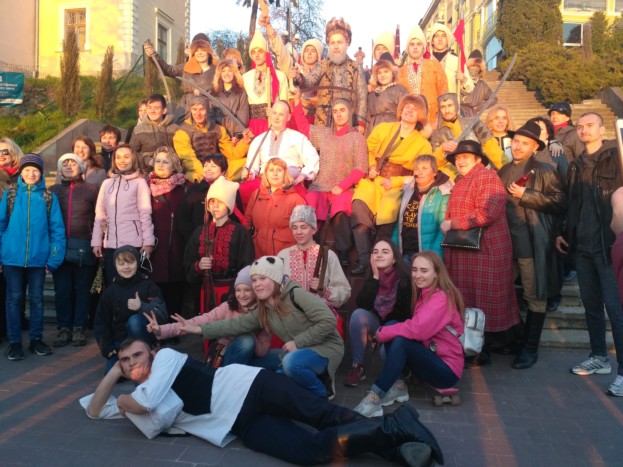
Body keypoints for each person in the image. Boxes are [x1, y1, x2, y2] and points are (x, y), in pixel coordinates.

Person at [81, 337, 444, 466]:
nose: (134, 362)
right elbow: (95, 412)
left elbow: (143, 405)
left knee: (323, 414)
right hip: (240, 425)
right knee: (308, 452)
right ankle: (398, 437)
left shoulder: (165, 358)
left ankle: (397, 443)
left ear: (151, 351)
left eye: (137, 355)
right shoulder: (134, 392)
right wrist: (112, 375)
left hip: (252, 385)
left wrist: (124, 396)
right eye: (126, 361)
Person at [176, 256, 344, 400]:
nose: (257, 284)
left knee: (290, 363)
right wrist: (199, 329)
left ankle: (321, 393)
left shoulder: (296, 294)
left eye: (262, 278)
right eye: (254, 280)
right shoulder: (265, 307)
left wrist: (298, 342)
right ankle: (236, 388)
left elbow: (328, 321)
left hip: (325, 348)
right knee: (273, 373)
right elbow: (236, 325)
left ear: (275, 279)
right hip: (299, 350)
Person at [555, 112, 623, 396]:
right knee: (591, 305)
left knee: (616, 310)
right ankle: (599, 356)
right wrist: (562, 230)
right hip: (582, 246)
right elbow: (571, 201)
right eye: (580, 126)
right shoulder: (575, 165)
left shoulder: (616, 157)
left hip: (609, 245)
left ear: (602, 129)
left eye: (589, 125)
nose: (583, 130)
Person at [354, 251, 465, 417]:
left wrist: (382, 333)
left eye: (424, 271)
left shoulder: (440, 298)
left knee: (400, 339)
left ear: (436, 273)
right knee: (393, 325)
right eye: (414, 270)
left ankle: (375, 397)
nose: (417, 275)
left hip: (446, 371)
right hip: (431, 356)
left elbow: (417, 330)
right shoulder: (424, 293)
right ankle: (398, 386)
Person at [441, 139, 519, 367]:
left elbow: (488, 212)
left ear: (477, 159)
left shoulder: (487, 177)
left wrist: (453, 223)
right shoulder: (462, 179)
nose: (460, 161)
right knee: (470, 298)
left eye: (465, 157)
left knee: (484, 301)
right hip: (467, 250)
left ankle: (482, 350)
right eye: (457, 158)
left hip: (486, 249)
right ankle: (476, 346)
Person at [498, 121, 566, 369]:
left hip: (530, 241)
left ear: (535, 147)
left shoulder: (545, 169)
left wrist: (526, 195)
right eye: (516, 141)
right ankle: (517, 339)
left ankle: (530, 349)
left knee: (534, 295)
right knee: (502, 292)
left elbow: (560, 202)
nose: (518, 146)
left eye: (524, 143)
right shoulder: (504, 169)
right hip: (504, 243)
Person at [351, 94, 431, 274]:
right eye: (406, 106)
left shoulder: (423, 144)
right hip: (375, 180)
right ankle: (364, 258)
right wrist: (371, 165)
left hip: (397, 186)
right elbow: (368, 148)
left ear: (420, 116)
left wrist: (395, 181)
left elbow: (419, 171)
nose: (409, 110)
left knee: (388, 213)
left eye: (414, 108)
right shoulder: (383, 128)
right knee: (359, 205)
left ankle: (378, 263)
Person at [0, 154, 66, 361]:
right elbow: (1, 226)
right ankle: (15, 342)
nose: (31, 174)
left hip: (38, 260)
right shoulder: (10, 195)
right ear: (21, 172)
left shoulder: (48, 198)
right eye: (27, 170)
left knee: (37, 300)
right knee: (13, 300)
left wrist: (53, 259)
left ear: (41, 173)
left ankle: (36, 339)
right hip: (12, 259)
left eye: (35, 170)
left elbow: (57, 231)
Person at [291, 91, 368, 265]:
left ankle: (343, 253)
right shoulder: (325, 135)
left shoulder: (357, 138)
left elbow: (360, 168)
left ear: (350, 112)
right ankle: (310, 248)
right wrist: (296, 102)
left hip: (343, 186)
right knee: (310, 204)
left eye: (342, 110)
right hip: (321, 184)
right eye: (335, 111)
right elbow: (304, 128)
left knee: (341, 210)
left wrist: (343, 185)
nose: (338, 114)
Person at [145, 266, 272, 367]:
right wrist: (161, 330)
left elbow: (262, 351)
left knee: (278, 356)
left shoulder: (263, 312)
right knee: (246, 341)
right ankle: (229, 379)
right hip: (225, 357)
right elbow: (200, 321)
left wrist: (248, 330)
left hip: (250, 357)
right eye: (238, 290)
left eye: (247, 290)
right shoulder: (227, 307)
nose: (242, 295)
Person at [344, 239, 413, 387]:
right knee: (358, 315)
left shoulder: (405, 280)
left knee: (384, 350)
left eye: (385, 252)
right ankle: (358, 366)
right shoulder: (374, 277)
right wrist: (375, 278)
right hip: (379, 325)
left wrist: (384, 333)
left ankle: (400, 373)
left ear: (394, 259)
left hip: (398, 328)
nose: (379, 255)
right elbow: (362, 303)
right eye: (375, 252)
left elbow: (407, 315)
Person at [184, 176, 254, 312]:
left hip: (231, 291)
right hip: (205, 291)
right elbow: (187, 263)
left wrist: (235, 293)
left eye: (220, 202)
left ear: (228, 205)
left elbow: (246, 266)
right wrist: (198, 266)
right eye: (212, 202)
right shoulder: (199, 231)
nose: (215, 206)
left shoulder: (240, 233)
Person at [50, 153, 99, 347]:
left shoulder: (92, 189)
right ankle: (64, 328)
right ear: (59, 169)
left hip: (84, 247)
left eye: (73, 163)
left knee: (82, 291)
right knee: (62, 291)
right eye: (65, 164)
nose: (69, 166)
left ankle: (79, 327)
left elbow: (99, 217)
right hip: (59, 247)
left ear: (81, 167)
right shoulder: (53, 191)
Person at [94, 246, 167, 373]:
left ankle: (146, 357)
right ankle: (131, 362)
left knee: (135, 321)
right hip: (121, 342)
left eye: (130, 262)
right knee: (111, 373)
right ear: (115, 266)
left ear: (137, 263)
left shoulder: (149, 286)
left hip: (142, 339)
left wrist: (141, 307)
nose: (126, 267)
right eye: (121, 264)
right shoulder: (110, 291)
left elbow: (162, 316)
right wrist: (106, 347)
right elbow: (101, 322)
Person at [91, 144, 155, 285]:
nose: (122, 160)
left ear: (133, 159)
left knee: (132, 287)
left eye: (126, 157)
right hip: (111, 245)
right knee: (112, 286)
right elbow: (100, 215)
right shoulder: (106, 183)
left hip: (133, 244)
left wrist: (148, 242)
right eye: (118, 157)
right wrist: (96, 242)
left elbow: (145, 214)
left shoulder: (140, 183)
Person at [240, 100, 319, 206]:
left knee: (303, 201)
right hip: (263, 183)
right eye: (274, 113)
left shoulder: (298, 137)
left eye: (281, 114)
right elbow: (252, 167)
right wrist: (251, 173)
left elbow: (313, 159)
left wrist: (301, 176)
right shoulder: (259, 139)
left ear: (288, 117)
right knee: (241, 192)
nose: (276, 117)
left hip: (289, 183)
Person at [278, 205, 351, 316]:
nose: (298, 232)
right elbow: (274, 290)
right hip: (291, 316)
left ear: (314, 229)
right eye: (294, 227)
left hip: (320, 315)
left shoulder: (329, 256)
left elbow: (344, 291)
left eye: (304, 227)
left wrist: (325, 291)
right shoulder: (283, 256)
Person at [298, 17, 368, 131]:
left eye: (339, 42)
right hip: (324, 123)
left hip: (348, 125)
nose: (335, 47)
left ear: (347, 43)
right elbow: (308, 83)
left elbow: (362, 97)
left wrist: (360, 122)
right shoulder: (322, 65)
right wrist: (298, 77)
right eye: (332, 43)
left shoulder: (356, 68)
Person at [172, 96, 252, 183]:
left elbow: (232, 154)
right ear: (190, 111)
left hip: (215, 167)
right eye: (194, 109)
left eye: (202, 109)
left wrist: (245, 142)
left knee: (246, 162)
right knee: (193, 176)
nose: (198, 114)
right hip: (197, 171)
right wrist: (206, 172)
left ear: (207, 110)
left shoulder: (218, 129)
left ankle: (222, 179)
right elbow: (188, 159)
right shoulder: (182, 132)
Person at [148, 147, 187, 322]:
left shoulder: (185, 187)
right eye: (158, 161)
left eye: (166, 161)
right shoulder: (145, 186)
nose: (161, 165)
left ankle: (174, 328)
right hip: (155, 248)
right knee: (156, 292)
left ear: (174, 165)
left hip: (177, 248)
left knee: (175, 293)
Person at [144, 34, 218, 124]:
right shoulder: (186, 67)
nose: (200, 53)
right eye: (196, 50)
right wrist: (155, 56)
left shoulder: (217, 71)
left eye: (203, 50)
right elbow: (169, 70)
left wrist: (203, 92)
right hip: (186, 109)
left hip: (207, 110)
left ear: (209, 51)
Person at [431, 93, 508, 178]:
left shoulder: (474, 123)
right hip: (454, 179)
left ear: (456, 106)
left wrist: (509, 170)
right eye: (443, 107)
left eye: (450, 105)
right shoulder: (436, 135)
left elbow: (491, 148)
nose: (447, 110)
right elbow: (434, 164)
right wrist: (442, 150)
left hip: (480, 174)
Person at [246, 157, 307, 257]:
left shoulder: (296, 199)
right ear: (266, 173)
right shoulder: (256, 195)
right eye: (271, 170)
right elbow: (247, 222)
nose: (275, 174)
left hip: (285, 256)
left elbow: (304, 231)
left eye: (279, 170)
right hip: (259, 254)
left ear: (285, 173)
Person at [397, 154, 453, 263]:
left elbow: (442, 230)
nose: (419, 172)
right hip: (404, 253)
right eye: (417, 169)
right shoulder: (407, 190)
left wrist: (433, 258)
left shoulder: (442, 193)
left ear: (434, 172)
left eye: (424, 168)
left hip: (427, 255)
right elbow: (398, 223)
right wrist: (395, 252)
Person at [397, 24, 448, 127]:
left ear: (424, 48)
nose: (415, 47)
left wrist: (440, 119)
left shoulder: (435, 66)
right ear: (408, 49)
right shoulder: (400, 72)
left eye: (419, 44)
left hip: (432, 121)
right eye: (412, 44)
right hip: (409, 123)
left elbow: (444, 94)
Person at [243, 29, 289, 136]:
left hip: (272, 123)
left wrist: (275, 110)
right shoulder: (245, 77)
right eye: (253, 52)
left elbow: (285, 102)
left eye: (260, 51)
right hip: (251, 126)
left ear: (266, 53)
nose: (257, 55)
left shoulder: (279, 76)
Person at [0, 137, 23, 343]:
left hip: (21, 238)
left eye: (5, 151)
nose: (1, 155)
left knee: (18, 287)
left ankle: (16, 323)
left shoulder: (25, 175)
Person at [129, 94, 179, 173]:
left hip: (171, 171)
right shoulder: (138, 130)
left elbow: (181, 151)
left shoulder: (174, 129)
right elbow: (132, 152)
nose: (152, 111)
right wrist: (147, 161)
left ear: (164, 110)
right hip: (146, 172)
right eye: (149, 108)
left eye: (156, 108)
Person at [365, 52, 409, 137]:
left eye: (386, 71)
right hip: (373, 132)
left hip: (392, 131)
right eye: (379, 73)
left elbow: (406, 113)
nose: (382, 75)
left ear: (393, 73)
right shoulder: (372, 93)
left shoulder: (400, 90)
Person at [427, 23, 472, 96]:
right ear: (432, 41)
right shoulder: (426, 62)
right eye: (436, 36)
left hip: (451, 102)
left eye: (443, 36)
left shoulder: (457, 62)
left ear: (447, 40)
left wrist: (463, 79)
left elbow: (470, 89)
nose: (440, 39)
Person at [211, 58, 250, 142]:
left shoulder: (241, 92)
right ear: (219, 74)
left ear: (234, 73)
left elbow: (243, 113)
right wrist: (217, 132)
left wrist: (237, 134)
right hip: (219, 133)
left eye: (230, 70)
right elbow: (211, 115)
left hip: (235, 133)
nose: (227, 74)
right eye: (223, 71)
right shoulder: (214, 92)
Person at [459, 50, 497, 118]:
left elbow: (494, 98)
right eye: (473, 65)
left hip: (472, 117)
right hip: (458, 114)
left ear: (480, 69)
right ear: (468, 67)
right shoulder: (460, 80)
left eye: (477, 66)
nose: (474, 68)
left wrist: (479, 107)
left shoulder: (482, 85)